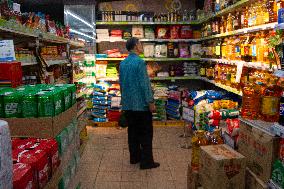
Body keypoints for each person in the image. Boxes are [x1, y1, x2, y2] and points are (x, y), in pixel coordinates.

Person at [119, 37, 160, 170]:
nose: (142, 46)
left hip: (128, 105)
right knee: (146, 134)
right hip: (141, 106)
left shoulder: (123, 63)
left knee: (133, 133)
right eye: (141, 44)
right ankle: (147, 162)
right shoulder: (140, 63)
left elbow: (122, 85)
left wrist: (124, 103)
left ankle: (134, 158)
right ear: (136, 46)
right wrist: (150, 102)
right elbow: (145, 85)